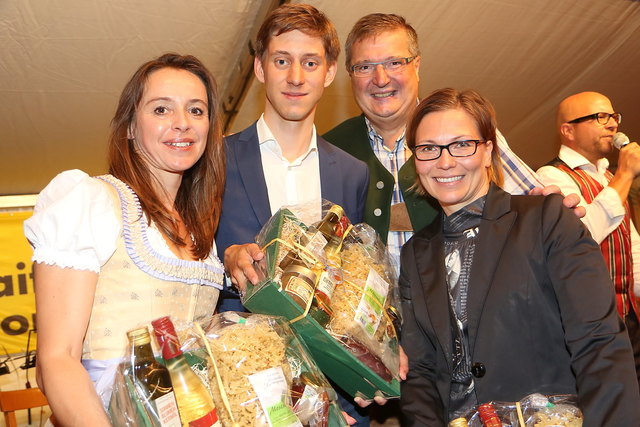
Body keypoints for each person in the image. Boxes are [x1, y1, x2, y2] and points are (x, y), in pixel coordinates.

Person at [399, 88, 640, 426]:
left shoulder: (546, 220)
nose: (445, 160)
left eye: (462, 144)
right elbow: (421, 374)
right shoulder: (415, 254)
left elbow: (598, 344)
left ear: (487, 151)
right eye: (428, 148)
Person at [24, 53, 225, 425]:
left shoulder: (201, 228)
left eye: (196, 111)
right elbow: (57, 360)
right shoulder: (93, 201)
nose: (182, 124)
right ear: (130, 127)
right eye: (162, 109)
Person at [213, 4, 369, 424]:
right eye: (282, 61)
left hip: (334, 398)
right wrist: (226, 258)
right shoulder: (214, 161)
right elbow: (186, 258)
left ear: (330, 72)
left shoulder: (353, 174)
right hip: (245, 390)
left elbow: (348, 281)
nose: (296, 77)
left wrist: (367, 363)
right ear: (261, 68)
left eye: (310, 62)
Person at [323, 13, 552, 265]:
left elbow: (534, 206)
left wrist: (554, 209)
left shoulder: (466, 133)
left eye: (394, 63)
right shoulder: (329, 151)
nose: (381, 79)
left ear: (417, 65)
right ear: (350, 75)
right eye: (364, 67)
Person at [537, 91, 640, 381]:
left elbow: (630, 245)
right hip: (588, 323)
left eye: (613, 116)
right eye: (599, 117)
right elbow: (582, 234)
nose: (612, 125)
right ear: (568, 130)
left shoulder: (608, 178)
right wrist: (626, 175)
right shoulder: (551, 177)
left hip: (627, 317)